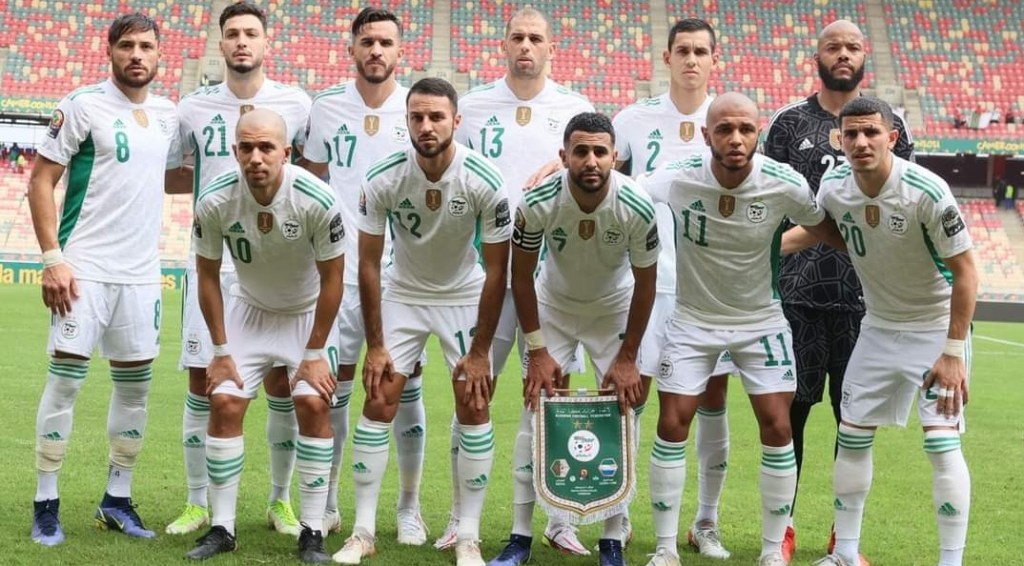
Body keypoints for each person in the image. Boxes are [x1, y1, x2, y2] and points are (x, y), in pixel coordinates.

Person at [641, 92, 844, 566]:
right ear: (706, 134)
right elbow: (625, 192)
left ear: (759, 135)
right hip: (692, 319)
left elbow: (824, 228)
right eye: (725, 129)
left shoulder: (783, 183)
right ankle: (666, 549)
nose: (735, 138)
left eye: (746, 129)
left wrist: (879, 249)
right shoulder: (678, 176)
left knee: (777, 426)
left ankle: (772, 551)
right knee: (672, 423)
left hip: (760, 322)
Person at [787, 96, 977, 566]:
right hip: (878, 326)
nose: (861, 141)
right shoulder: (834, 186)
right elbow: (824, 228)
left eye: (871, 132)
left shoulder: (926, 190)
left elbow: (967, 271)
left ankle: (951, 561)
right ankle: (845, 554)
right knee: (852, 436)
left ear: (891, 137)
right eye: (851, 133)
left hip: (935, 330)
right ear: (839, 139)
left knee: (940, 443)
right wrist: (763, 249)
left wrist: (953, 352)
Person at [331, 77, 510, 566]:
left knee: (474, 403)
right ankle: (363, 531)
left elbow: (498, 269)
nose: (426, 126)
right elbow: (369, 263)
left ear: (456, 120)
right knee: (379, 398)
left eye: (436, 117)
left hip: (462, 294)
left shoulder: (485, 179)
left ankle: (468, 535)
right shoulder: (383, 178)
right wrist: (376, 344)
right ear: (406, 121)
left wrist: (481, 352)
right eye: (417, 117)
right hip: (404, 293)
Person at [762, 19, 914, 561]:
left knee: (855, 422)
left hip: (864, 300)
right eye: (834, 46)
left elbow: (904, 203)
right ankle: (782, 529)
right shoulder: (788, 123)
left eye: (852, 46)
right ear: (818, 57)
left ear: (864, 56)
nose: (843, 54)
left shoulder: (891, 124)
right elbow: (766, 201)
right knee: (791, 417)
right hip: (796, 297)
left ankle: (842, 536)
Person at [27, 12, 179, 546]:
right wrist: (52, 259)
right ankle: (46, 502)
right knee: (66, 383)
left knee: (135, 391)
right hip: (84, 269)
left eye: (146, 47)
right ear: (109, 50)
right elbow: (41, 180)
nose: (137, 55)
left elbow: (169, 175)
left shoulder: (168, 114)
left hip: (142, 276)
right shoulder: (81, 104)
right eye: (127, 46)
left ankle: (117, 499)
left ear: (160, 55)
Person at [164, 1, 313, 537]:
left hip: (275, 264)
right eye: (232, 34)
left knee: (280, 381)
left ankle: (280, 501)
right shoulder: (192, 107)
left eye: (251, 33)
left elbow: (308, 172)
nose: (242, 41)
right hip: (212, 260)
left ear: (266, 43)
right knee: (202, 378)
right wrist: (220, 193)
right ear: (221, 44)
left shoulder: (296, 104)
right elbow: (171, 175)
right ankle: (197, 503)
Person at [454, 7, 596, 557]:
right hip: (486, 273)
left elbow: (598, 174)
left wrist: (562, 168)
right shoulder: (473, 106)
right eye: (517, 37)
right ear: (504, 44)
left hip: (552, 276)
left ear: (551, 48)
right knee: (473, 390)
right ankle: (460, 520)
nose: (526, 46)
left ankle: (561, 519)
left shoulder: (574, 108)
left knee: (552, 393)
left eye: (536, 38)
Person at [184, 108, 344, 563]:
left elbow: (334, 279)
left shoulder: (316, 198)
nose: (256, 157)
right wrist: (220, 350)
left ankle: (312, 531)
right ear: (235, 151)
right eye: (247, 148)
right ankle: (222, 527)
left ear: (286, 152)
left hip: (306, 315)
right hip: (249, 310)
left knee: (314, 404)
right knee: (224, 400)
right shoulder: (214, 200)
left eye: (266, 147)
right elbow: (207, 275)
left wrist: (315, 351)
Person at [507, 112, 659, 566]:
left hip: (613, 309)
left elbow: (647, 283)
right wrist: (537, 350)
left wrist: (628, 357)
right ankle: (519, 538)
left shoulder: (636, 204)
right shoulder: (538, 200)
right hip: (553, 307)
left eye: (600, 152)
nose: (590, 161)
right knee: (535, 411)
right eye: (581, 151)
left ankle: (612, 541)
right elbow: (520, 276)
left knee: (622, 414)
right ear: (564, 155)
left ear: (615, 156)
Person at [303, 7, 428, 542]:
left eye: (386, 43)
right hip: (338, 275)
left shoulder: (418, 110)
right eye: (367, 41)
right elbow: (310, 185)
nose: (376, 50)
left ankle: (408, 508)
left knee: (403, 392)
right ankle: (330, 504)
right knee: (333, 390)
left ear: (400, 51)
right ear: (351, 47)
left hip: (401, 279)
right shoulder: (326, 107)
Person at [611, 18, 735, 560]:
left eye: (701, 52)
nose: (691, 60)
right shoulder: (632, 120)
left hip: (711, 289)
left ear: (714, 60)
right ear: (667, 58)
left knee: (712, 400)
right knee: (630, 396)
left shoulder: (730, 121)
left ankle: (706, 521)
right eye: (682, 50)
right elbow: (607, 186)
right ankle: (617, 513)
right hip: (647, 284)